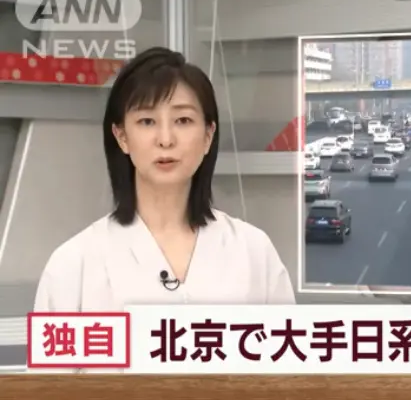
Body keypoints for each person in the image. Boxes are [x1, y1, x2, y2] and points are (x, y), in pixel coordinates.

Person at [34, 47, 296, 314]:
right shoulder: (74, 264)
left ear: (208, 135)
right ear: (122, 137)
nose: (166, 139)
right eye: (147, 121)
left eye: (183, 120)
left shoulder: (253, 251)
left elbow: (287, 339)